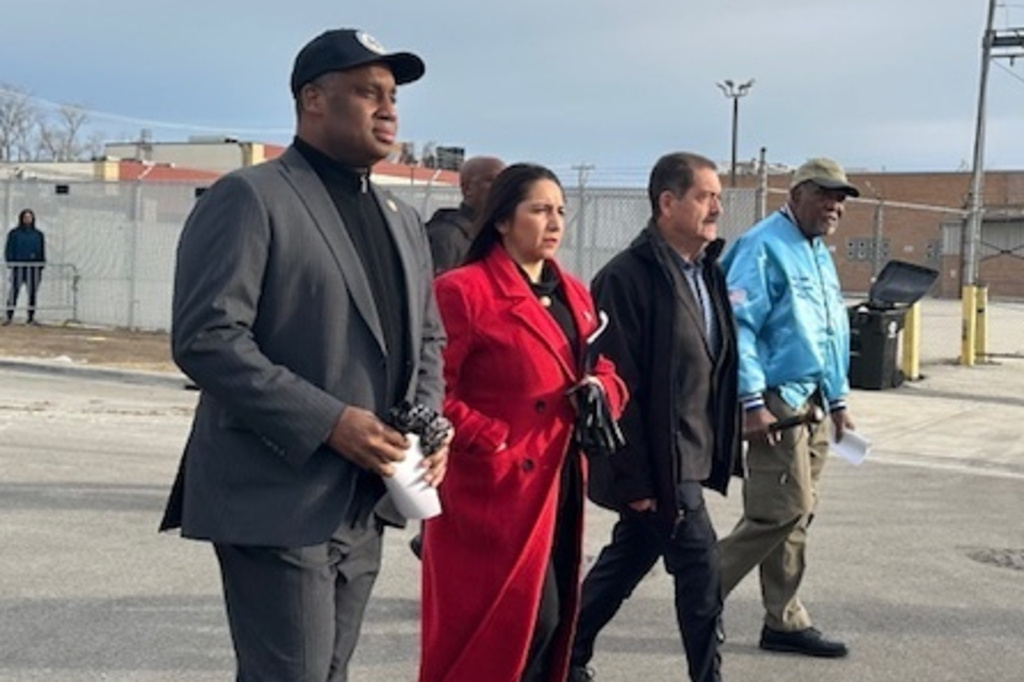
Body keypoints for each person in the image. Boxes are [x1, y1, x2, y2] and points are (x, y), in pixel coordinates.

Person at [158, 28, 449, 682]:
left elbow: (427, 339)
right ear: (313, 100)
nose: (388, 109)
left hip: (368, 496)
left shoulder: (402, 216)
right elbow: (207, 336)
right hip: (276, 493)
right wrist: (331, 421)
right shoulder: (252, 197)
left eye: (393, 96)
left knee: (329, 672)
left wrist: (429, 426)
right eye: (368, 93)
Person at [420, 163, 627, 682]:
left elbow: (603, 366)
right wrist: (490, 437)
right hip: (490, 492)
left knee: (551, 629)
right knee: (503, 630)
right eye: (539, 210)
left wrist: (604, 392)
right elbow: (429, 389)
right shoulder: (463, 291)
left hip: (557, 484)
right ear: (502, 220)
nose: (555, 222)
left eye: (560, 210)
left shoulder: (575, 293)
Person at [569, 152, 740, 682]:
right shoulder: (627, 278)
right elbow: (620, 388)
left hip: (687, 453)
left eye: (718, 197)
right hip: (657, 465)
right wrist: (634, 478)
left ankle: (559, 657)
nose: (716, 207)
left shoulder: (704, 270)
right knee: (701, 572)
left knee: (626, 561)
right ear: (668, 203)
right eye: (704, 196)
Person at [716, 157, 859, 659]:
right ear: (795, 193)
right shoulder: (763, 245)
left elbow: (829, 332)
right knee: (780, 509)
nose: (833, 205)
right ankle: (701, 589)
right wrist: (752, 403)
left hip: (813, 402)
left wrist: (838, 401)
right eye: (824, 193)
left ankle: (784, 618)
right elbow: (740, 330)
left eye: (840, 197)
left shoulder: (817, 252)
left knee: (800, 514)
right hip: (775, 402)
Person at [426, 155, 505, 273]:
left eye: (505, 182)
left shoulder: (499, 236)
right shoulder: (446, 238)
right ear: (468, 188)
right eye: (492, 180)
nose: (501, 188)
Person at [4, 208, 46, 325]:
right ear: (21, 218)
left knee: (32, 293)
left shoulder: (38, 235)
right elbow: (9, 249)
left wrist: (41, 264)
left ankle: (31, 317)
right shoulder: (14, 233)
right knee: (14, 291)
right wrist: (11, 262)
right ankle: (9, 316)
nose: (28, 219)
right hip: (18, 267)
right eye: (26, 217)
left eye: (30, 217)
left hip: (33, 268)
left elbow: (41, 251)